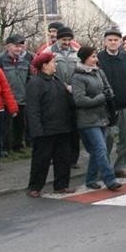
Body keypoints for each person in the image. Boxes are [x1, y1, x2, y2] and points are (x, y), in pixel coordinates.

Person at [72, 46, 122, 191]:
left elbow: (109, 89)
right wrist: (101, 97)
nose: (96, 59)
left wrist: (108, 95)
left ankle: (91, 179)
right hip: (87, 120)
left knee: (97, 150)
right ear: (84, 58)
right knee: (100, 148)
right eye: (93, 56)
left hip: (102, 117)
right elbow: (80, 100)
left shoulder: (98, 72)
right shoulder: (78, 77)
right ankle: (110, 179)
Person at [25, 52, 75, 197]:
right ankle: (34, 187)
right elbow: (33, 109)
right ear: (45, 65)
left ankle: (61, 185)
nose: (56, 64)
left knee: (63, 158)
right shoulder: (35, 83)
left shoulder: (57, 80)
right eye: (53, 62)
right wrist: (36, 130)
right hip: (45, 129)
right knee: (41, 160)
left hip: (62, 127)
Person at [98, 28, 126, 179]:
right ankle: (104, 169)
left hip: (124, 103)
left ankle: (121, 167)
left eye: (116, 40)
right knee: (107, 139)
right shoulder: (98, 58)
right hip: (106, 106)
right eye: (110, 40)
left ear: (120, 42)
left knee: (125, 137)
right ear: (105, 42)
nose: (113, 43)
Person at [49, 26, 81, 167]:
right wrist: (62, 86)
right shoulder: (49, 52)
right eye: (64, 39)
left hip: (74, 93)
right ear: (58, 39)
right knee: (60, 128)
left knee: (74, 128)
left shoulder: (77, 53)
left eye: (69, 39)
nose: (67, 42)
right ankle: (58, 157)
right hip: (57, 94)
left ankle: (73, 159)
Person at [0, 34, 32, 153]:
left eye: (21, 46)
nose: (19, 49)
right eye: (16, 46)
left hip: (22, 97)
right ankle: (5, 148)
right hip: (6, 99)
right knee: (5, 126)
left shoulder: (25, 61)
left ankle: (18, 145)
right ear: (8, 46)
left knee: (20, 124)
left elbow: (29, 78)